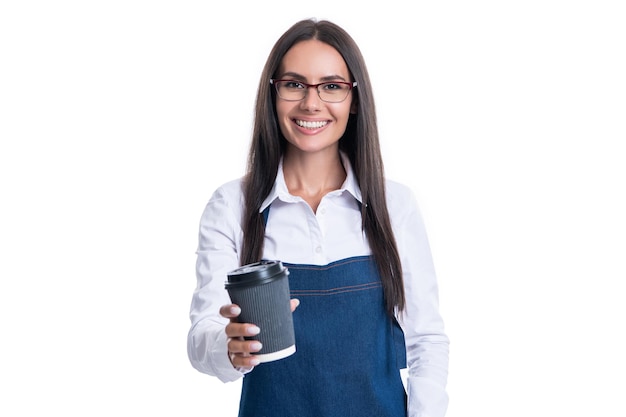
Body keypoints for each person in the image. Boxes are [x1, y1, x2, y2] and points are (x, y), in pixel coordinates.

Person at [187, 18, 449, 417]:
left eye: (331, 86)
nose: (311, 103)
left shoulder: (394, 205)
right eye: (294, 84)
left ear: (354, 98)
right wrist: (230, 347)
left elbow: (426, 340)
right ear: (273, 95)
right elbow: (202, 335)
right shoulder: (232, 206)